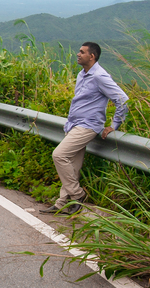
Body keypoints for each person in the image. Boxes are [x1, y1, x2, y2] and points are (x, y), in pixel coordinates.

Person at [43, 41, 129, 214]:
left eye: (82, 52)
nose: (78, 54)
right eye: (79, 51)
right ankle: (63, 204)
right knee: (72, 167)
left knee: (59, 155)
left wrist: (114, 125)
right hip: (74, 124)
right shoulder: (83, 74)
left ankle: (78, 195)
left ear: (92, 56)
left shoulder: (100, 76)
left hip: (88, 125)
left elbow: (122, 99)